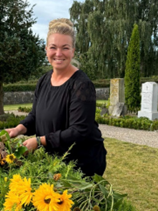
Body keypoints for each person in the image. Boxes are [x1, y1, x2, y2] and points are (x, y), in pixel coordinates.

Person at [6, 18, 107, 177]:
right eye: (53, 47)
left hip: (80, 166)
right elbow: (36, 115)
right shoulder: (44, 81)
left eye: (65, 48)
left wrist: (39, 141)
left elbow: (79, 131)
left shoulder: (82, 86)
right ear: (46, 49)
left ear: (73, 51)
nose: (58, 54)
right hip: (53, 163)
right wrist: (19, 129)